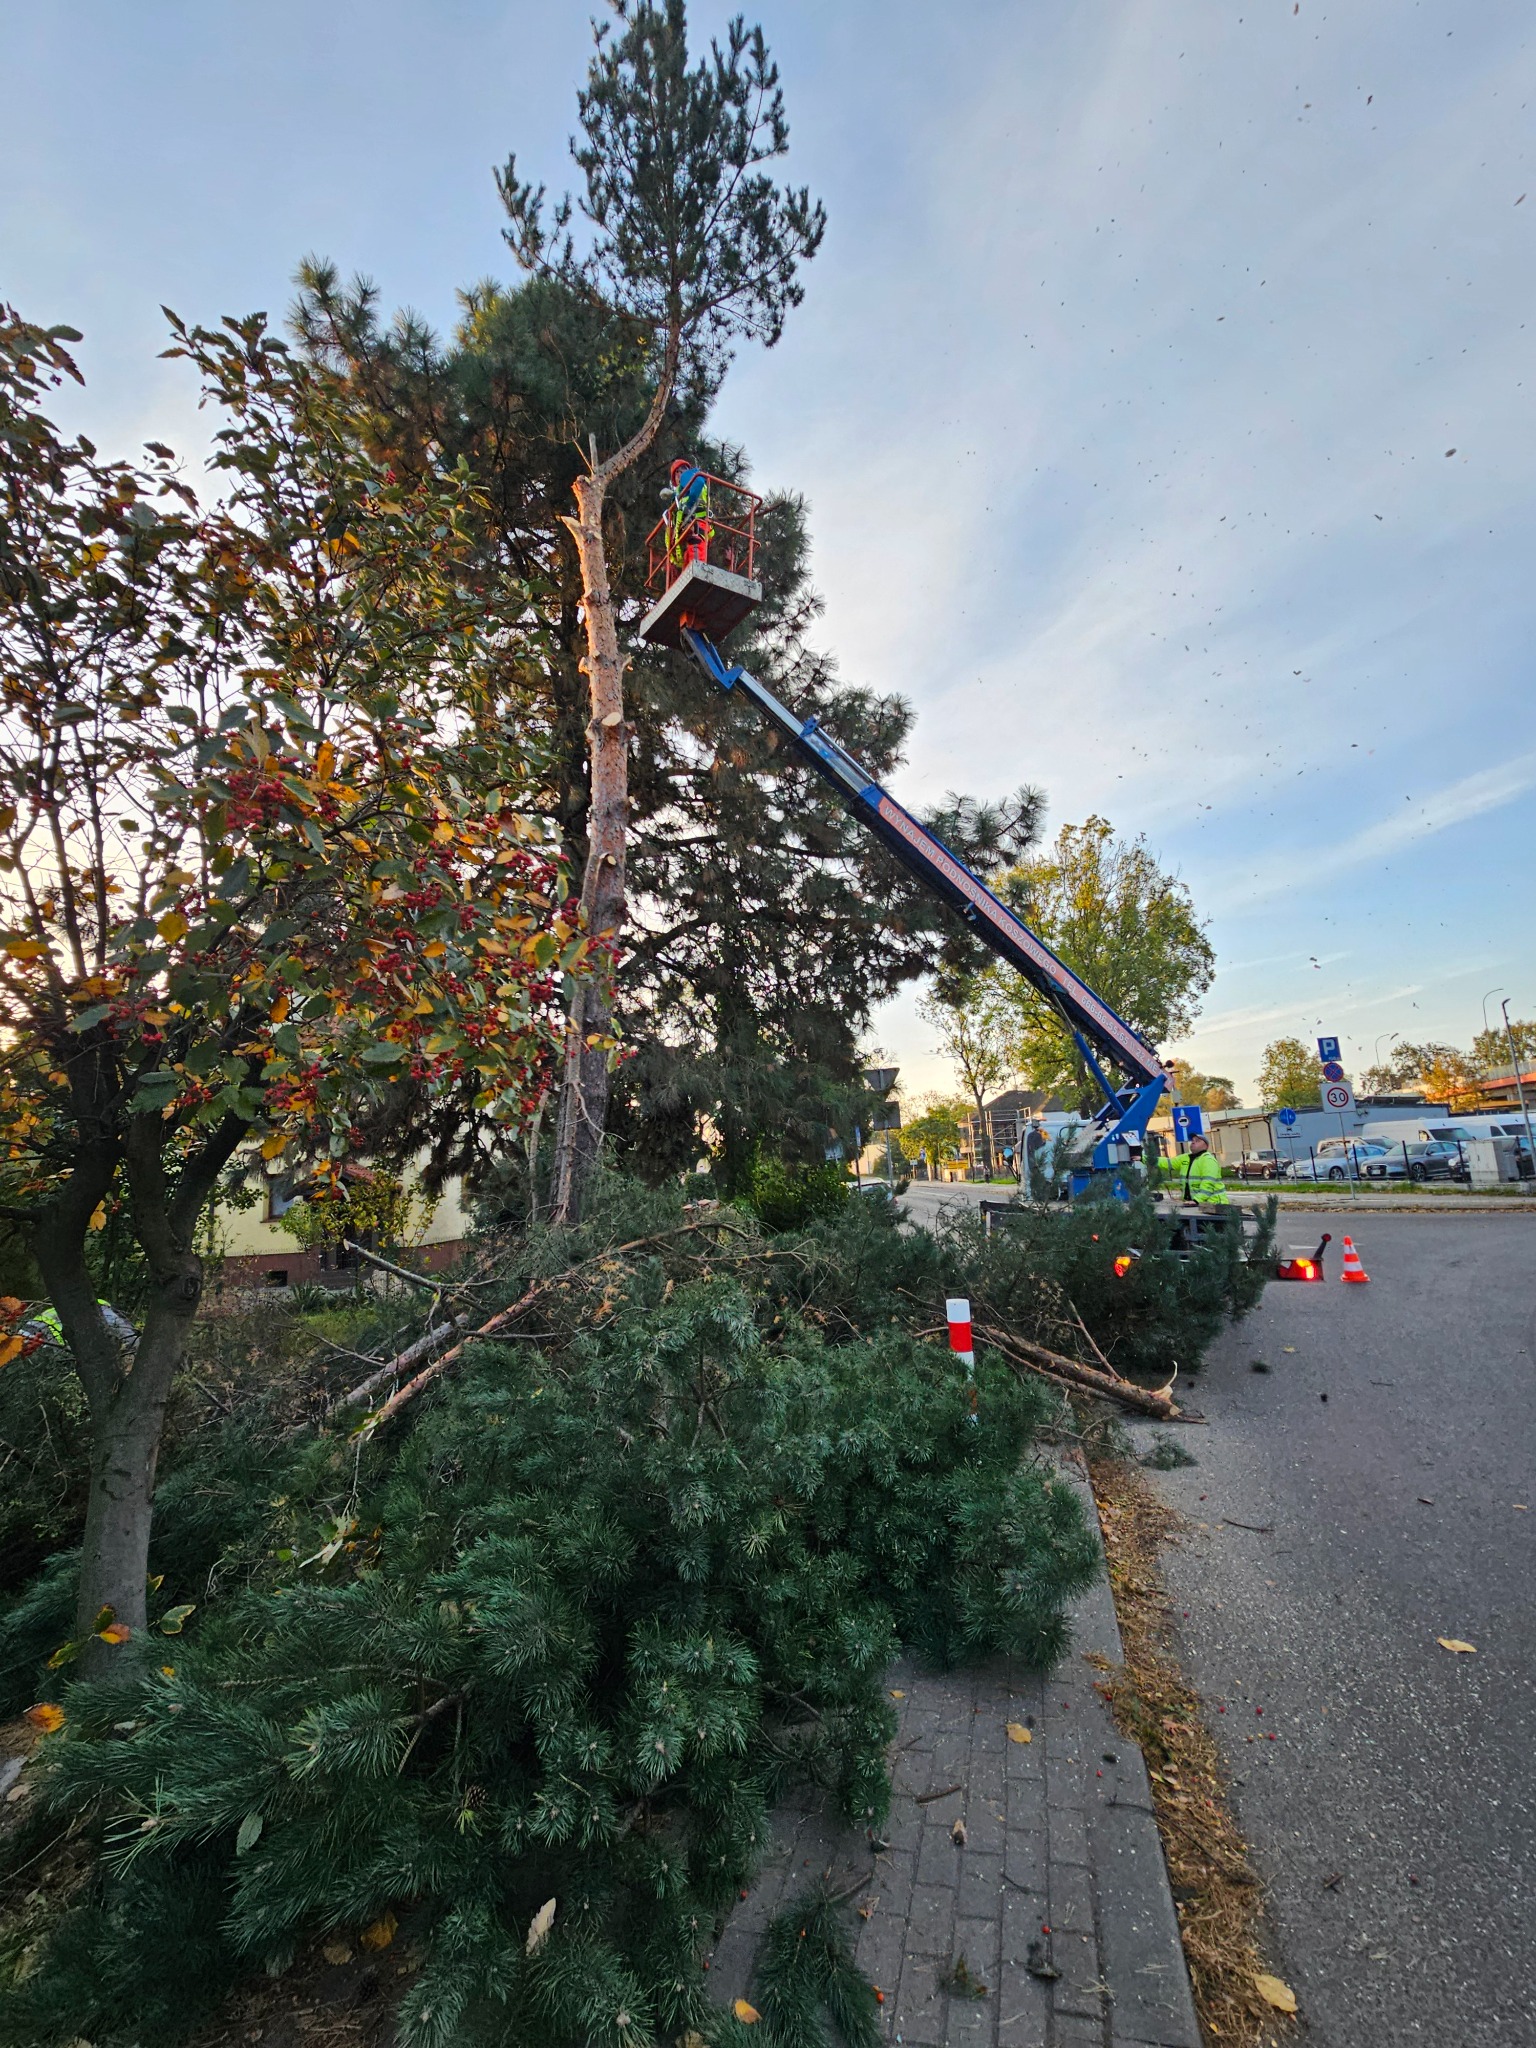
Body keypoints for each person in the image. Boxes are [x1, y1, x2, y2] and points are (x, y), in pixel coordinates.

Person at [663, 460, 711, 569]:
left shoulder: (687, 476)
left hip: (697, 524)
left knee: (696, 556)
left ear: (678, 473)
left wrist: (688, 505)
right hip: (693, 528)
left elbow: (698, 482)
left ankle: (698, 575)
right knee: (689, 560)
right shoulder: (683, 489)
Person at [1168, 1132, 1225, 1205]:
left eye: (1197, 1141)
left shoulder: (1208, 1160)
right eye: (1192, 1141)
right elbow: (1168, 1162)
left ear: (1206, 1146)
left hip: (1214, 1204)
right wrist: (1150, 1157)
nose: (1193, 1142)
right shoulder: (1186, 1158)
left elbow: (1208, 1184)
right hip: (1196, 1204)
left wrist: (1197, 1200)